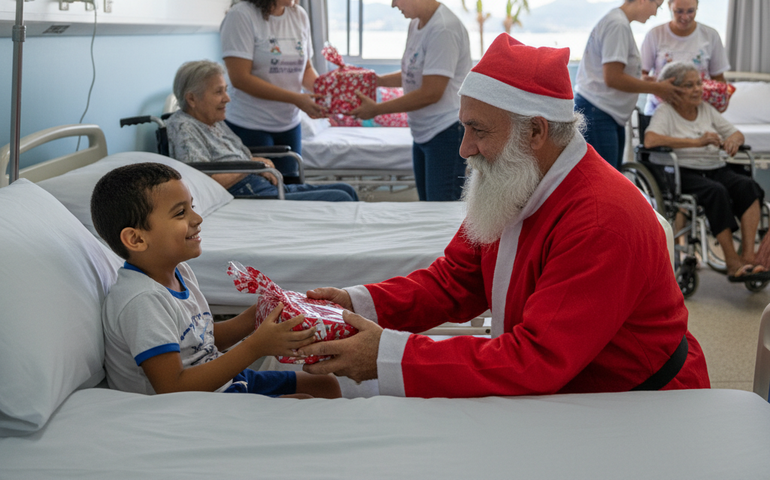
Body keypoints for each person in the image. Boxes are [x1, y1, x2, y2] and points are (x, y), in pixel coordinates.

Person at [296, 35, 710, 398]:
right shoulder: (517, 177)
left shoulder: (601, 219)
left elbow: (538, 358)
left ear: (535, 131)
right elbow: (455, 280)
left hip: (641, 405)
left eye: (478, 130)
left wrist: (386, 356)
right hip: (569, 389)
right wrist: (355, 306)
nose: (464, 149)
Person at [91, 162, 341, 398]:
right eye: (180, 213)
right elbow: (172, 387)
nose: (197, 219)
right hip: (184, 406)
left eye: (192, 207)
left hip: (219, 382)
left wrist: (259, 314)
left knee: (325, 384)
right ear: (136, 239)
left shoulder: (181, 272)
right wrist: (255, 347)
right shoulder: (143, 300)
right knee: (303, 402)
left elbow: (203, 340)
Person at [644, 62, 768, 283]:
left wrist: (733, 140)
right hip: (684, 172)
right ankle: (731, 262)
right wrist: (696, 142)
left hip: (714, 167)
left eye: (699, 83)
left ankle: (749, 255)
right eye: (690, 85)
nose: (698, 89)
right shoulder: (665, 112)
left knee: (748, 186)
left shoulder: (706, 109)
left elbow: (736, 133)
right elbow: (650, 140)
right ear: (675, 90)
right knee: (715, 192)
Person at [167, 60, 358, 202]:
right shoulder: (185, 126)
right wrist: (251, 165)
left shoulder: (213, 120)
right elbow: (201, 183)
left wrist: (254, 165)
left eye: (226, 90)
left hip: (262, 186)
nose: (227, 99)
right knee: (340, 198)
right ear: (191, 99)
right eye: (219, 92)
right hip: (246, 194)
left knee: (346, 190)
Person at [348, 0, 471, 201]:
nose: (393, 5)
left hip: (444, 132)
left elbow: (431, 92)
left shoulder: (444, 29)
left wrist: (376, 110)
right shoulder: (416, 23)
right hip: (422, 132)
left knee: (441, 211)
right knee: (427, 206)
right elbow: (412, 74)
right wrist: (376, 81)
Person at [574, 0, 687, 170]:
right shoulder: (617, 25)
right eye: (657, 6)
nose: (655, 13)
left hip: (603, 111)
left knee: (612, 176)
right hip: (598, 111)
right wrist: (658, 89)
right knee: (606, 179)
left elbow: (614, 72)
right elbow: (612, 77)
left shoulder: (617, 21)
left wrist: (643, 81)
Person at [220, 0, 324, 154]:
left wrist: (325, 95)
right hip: (250, 124)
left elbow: (306, 69)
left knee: (292, 177)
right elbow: (240, 79)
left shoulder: (299, 15)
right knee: (261, 178)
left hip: (289, 124)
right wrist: (296, 99)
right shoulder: (241, 15)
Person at [640, 0, 730, 115]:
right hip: (660, 109)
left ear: (697, 7)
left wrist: (718, 102)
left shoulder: (710, 35)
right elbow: (641, 75)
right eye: (679, 11)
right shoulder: (655, 34)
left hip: (697, 111)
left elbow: (718, 79)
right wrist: (658, 87)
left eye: (690, 11)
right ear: (669, 6)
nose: (685, 16)